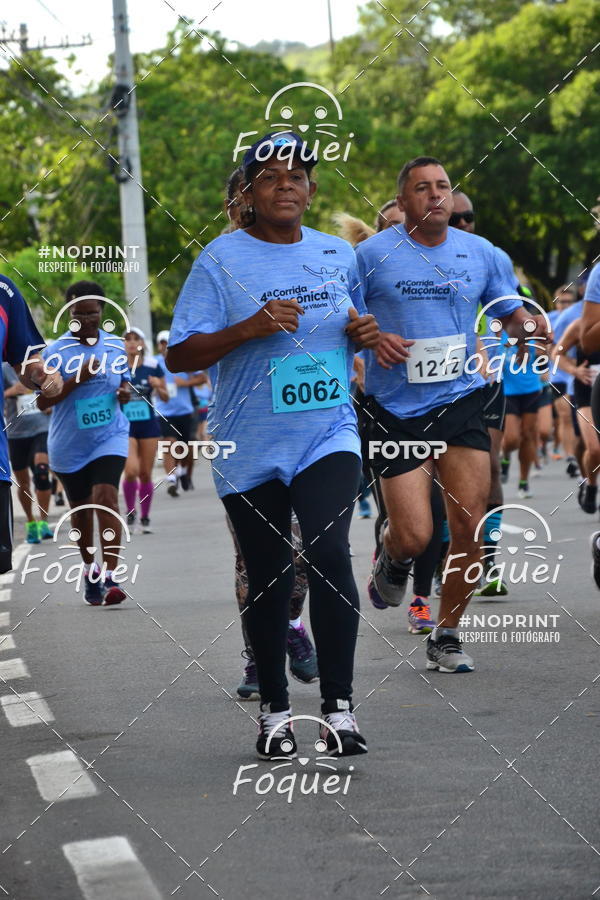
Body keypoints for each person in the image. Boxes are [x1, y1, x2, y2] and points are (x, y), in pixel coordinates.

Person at [167, 132, 379, 758]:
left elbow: (351, 326)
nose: (285, 183)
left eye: (297, 175)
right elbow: (180, 354)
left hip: (326, 433)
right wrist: (249, 327)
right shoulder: (220, 260)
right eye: (269, 176)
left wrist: (363, 334)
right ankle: (276, 712)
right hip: (247, 443)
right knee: (268, 575)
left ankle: (339, 709)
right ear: (250, 195)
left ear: (312, 191)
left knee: (329, 551)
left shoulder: (339, 254)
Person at [357, 156, 548, 673]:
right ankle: (393, 555)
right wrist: (373, 335)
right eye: (423, 188)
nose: (436, 195)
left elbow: (510, 311)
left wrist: (529, 327)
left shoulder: (482, 253)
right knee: (416, 534)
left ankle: (447, 633)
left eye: (442, 186)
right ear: (403, 201)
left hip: (462, 397)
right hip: (395, 407)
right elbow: (344, 319)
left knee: (467, 523)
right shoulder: (370, 255)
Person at [221, 167, 318, 701]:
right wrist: (251, 326)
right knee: (255, 561)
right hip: (245, 432)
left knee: (302, 553)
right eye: (241, 194)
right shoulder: (222, 262)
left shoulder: (310, 254)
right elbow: (195, 346)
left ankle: (290, 624)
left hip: (308, 430)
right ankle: (261, 655)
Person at [38, 281, 131, 605]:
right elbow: (41, 403)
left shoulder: (117, 346)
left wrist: (125, 394)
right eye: (78, 315)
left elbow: (127, 383)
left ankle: (110, 576)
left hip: (110, 435)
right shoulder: (56, 351)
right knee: (80, 511)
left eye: (92, 314)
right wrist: (78, 377)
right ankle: (90, 569)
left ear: (102, 311)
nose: (85, 321)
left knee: (106, 497)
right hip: (69, 443)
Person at [0, 275, 62, 572]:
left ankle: (41, 520)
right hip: (16, 428)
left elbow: (27, 361)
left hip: (31, 427)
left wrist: (44, 376)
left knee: (39, 472)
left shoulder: (4, 291)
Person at [121, 327, 168, 532]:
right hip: (125, 425)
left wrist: (158, 385)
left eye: (136, 338)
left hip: (148, 424)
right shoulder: (117, 366)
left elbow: (166, 397)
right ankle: (131, 511)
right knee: (131, 471)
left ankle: (145, 516)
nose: (131, 342)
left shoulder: (153, 366)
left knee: (145, 474)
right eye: (127, 339)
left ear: (142, 343)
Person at [553, 316, 600, 513]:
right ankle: (591, 485)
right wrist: (574, 370)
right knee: (595, 449)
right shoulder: (581, 324)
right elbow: (557, 353)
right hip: (587, 391)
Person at [3, 362, 53, 543]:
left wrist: (48, 402)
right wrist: (10, 392)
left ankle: (44, 522)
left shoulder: (37, 366)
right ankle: (31, 523)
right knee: (23, 483)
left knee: (41, 472)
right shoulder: (3, 369)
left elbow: (53, 388)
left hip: (41, 427)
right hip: (16, 433)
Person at [154, 330, 207, 496]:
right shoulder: (154, 363)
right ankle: (171, 479)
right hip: (164, 411)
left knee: (186, 449)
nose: (165, 346)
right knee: (168, 443)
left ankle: (183, 472)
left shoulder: (183, 358)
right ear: (158, 345)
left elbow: (202, 378)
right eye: (162, 343)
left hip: (185, 411)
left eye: (167, 342)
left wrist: (185, 382)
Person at [548, 286, 578, 461]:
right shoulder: (549, 320)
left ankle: (579, 449)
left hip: (578, 373)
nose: (565, 305)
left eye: (568, 302)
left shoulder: (579, 318)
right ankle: (570, 456)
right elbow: (543, 348)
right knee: (565, 415)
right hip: (558, 374)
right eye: (561, 302)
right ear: (555, 303)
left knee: (579, 416)